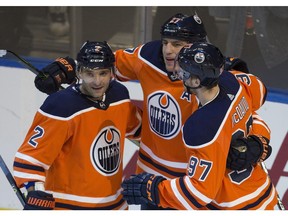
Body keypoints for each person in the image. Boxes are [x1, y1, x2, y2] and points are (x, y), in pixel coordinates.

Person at [33, 13, 272, 210]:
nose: (168, 50)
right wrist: (68, 67)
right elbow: (102, 64)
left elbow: (247, 116)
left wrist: (258, 142)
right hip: (152, 177)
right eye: (166, 41)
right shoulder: (148, 56)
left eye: (177, 45)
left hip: (192, 181)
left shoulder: (219, 75)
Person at [121, 42, 279, 210]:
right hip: (264, 195)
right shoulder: (234, 82)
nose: (179, 74)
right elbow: (260, 92)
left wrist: (155, 190)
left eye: (183, 71)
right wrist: (257, 140)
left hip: (231, 206)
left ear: (196, 81)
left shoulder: (200, 128)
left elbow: (200, 192)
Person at [13, 41, 142, 210]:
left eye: (103, 73)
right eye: (90, 73)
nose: (97, 81)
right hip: (69, 206)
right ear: (79, 71)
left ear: (112, 72)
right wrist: (35, 193)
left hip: (115, 205)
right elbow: (30, 159)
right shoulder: (60, 106)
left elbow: (141, 131)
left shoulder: (119, 95)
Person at [208, 7, 288, 90]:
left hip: (274, 51)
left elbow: (284, 12)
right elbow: (219, 12)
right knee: (239, 92)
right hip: (238, 45)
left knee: (274, 93)